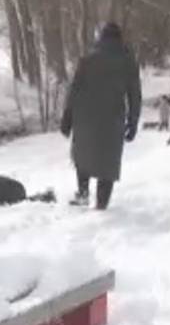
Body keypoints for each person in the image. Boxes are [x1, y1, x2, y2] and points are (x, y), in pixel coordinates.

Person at [60, 22, 142, 210]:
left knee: (83, 155)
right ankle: (102, 203)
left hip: (85, 118)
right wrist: (133, 122)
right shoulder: (128, 61)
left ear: (101, 38)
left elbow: (74, 91)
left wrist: (67, 120)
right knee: (108, 161)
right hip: (112, 119)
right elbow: (134, 94)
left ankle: (82, 193)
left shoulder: (87, 59)